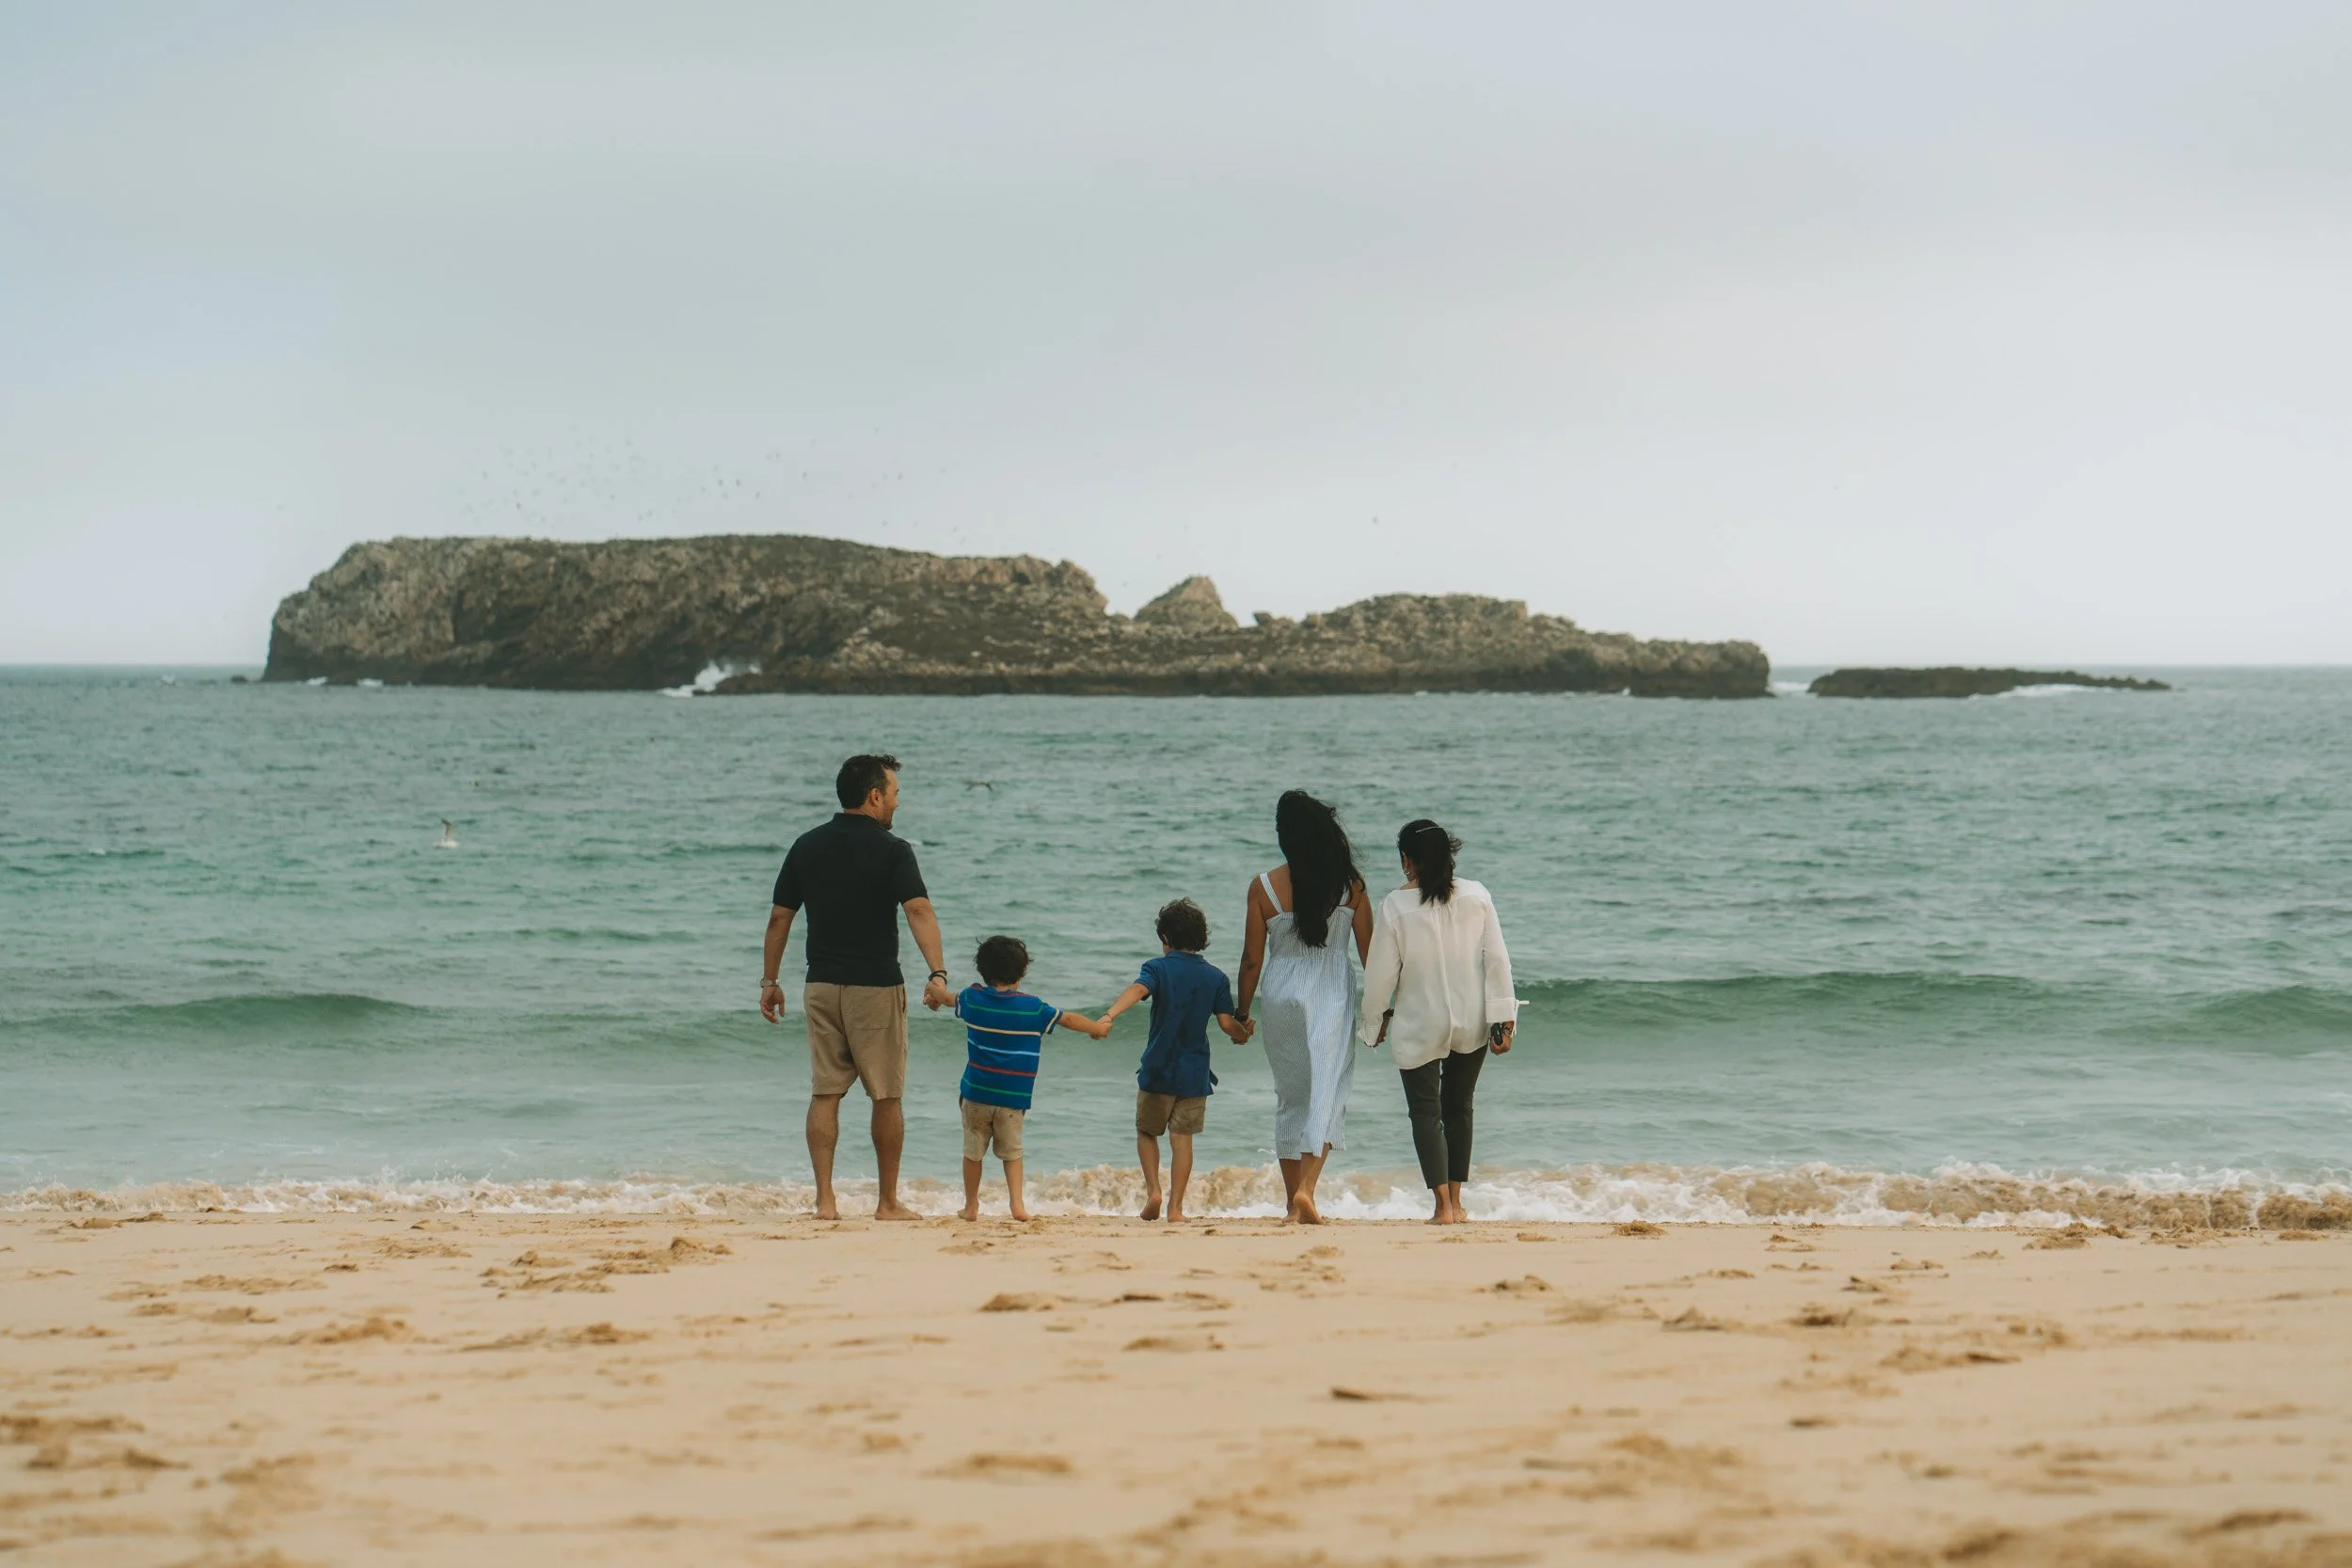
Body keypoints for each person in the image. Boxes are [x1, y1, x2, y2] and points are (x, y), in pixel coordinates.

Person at [759, 753, 954, 1221]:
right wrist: (938, 973)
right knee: (885, 1095)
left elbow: (779, 918)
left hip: (821, 984)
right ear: (874, 796)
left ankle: (825, 1201)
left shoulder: (805, 845)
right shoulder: (893, 850)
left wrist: (770, 980)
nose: (896, 803)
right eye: (894, 793)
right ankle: (886, 1203)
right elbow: (919, 911)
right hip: (875, 986)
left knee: (825, 1092)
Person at [1359, 819, 1518, 1225]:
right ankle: (1459, 1204)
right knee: (1460, 1107)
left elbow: (1380, 977)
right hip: (1471, 1019)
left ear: (1407, 861)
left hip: (1419, 1022)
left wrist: (1373, 1024)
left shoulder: (1395, 906)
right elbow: (1497, 960)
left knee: (1425, 1113)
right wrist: (1503, 1019)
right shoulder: (1476, 894)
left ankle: (1442, 1207)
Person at [1234, 790, 1373, 1225]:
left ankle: (1293, 1202)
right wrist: (1381, 1011)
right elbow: (1372, 956)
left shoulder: (1264, 886)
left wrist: (1241, 1014)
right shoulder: (1351, 887)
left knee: (1291, 1097)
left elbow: (1252, 959)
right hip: (1331, 991)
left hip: (1281, 993)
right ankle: (1307, 1193)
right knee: (1327, 1093)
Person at [1099, 898, 1253, 1223]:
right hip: (1195, 1074)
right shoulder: (1216, 977)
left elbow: (1138, 990)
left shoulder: (1157, 968)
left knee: (1146, 1131)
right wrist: (1243, 1034)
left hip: (1158, 1066)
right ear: (1201, 938)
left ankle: (1153, 1190)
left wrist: (1109, 1015)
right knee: (1182, 1140)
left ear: (1165, 937)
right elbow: (1227, 1025)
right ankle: (1176, 1208)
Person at [952, 935, 1111, 1222]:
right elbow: (1069, 1020)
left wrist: (933, 992)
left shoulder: (972, 998)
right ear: (1022, 971)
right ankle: (1017, 1205)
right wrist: (1097, 1028)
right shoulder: (1034, 1008)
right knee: (1012, 1153)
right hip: (1013, 1098)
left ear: (983, 971)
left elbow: (947, 997)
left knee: (973, 1153)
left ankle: (971, 1205)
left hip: (975, 1094)